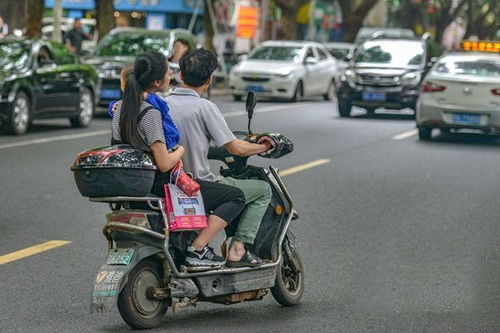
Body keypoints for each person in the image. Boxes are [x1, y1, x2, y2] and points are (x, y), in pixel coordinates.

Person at [112, 51, 246, 268]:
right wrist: (181, 150)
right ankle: (198, 249)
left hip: (133, 184)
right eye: (168, 72)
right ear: (157, 81)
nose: (171, 75)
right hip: (162, 183)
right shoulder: (151, 113)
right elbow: (164, 162)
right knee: (236, 197)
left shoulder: (119, 111)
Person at [167, 49, 272, 267]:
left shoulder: (162, 104)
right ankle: (233, 248)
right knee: (261, 191)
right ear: (209, 79)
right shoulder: (204, 107)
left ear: (181, 76)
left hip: (166, 182)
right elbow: (235, 147)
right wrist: (261, 146)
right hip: (196, 184)